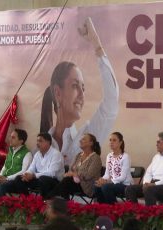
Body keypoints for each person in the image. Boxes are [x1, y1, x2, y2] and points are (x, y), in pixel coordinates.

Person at [40, 17, 119, 167]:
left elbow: (112, 100)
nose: (82, 96)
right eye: (76, 86)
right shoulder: (43, 143)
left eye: (83, 88)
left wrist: (97, 45)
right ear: (58, 92)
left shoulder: (88, 135)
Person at [125, 132, 163, 206]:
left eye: (159, 142)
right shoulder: (156, 157)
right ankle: (134, 213)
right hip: (153, 184)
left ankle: (150, 216)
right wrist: (145, 183)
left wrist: (154, 184)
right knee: (130, 189)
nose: (156, 144)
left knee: (149, 190)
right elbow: (149, 173)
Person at [3, 132, 64, 198]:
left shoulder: (56, 154)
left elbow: (51, 173)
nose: (37, 143)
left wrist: (34, 175)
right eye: (37, 141)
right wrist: (26, 175)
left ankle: (44, 202)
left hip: (54, 182)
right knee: (19, 178)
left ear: (48, 142)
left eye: (40, 141)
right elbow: (31, 168)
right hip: (39, 179)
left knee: (43, 179)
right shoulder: (37, 154)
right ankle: (27, 200)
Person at [48, 133, 102, 200]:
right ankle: (63, 204)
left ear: (91, 143)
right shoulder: (78, 155)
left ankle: (50, 198)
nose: (80, 141)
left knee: (66, 182)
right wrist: (70, 174)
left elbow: (88, 175)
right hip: (74, 182)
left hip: (87, 186)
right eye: (81, 139)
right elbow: (71, 169)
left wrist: (74, 174)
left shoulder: (96, 158)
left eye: (83, 139)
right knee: (64, 182)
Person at [0, 129, 32, 197]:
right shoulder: (10, 150)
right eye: (10, 136)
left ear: (21, 141)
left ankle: (2, 206)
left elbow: (24, 172)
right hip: (3, 179)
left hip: (15, 182)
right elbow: (5, 166)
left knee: (1, 187)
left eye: (13, 137)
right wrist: (0, 176)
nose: (10, 139)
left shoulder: (27, 153)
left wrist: (6, 178)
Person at [93, 132, 133, 204]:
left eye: (114, 140)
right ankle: (103, 208)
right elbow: (107, 174)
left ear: (120, 143)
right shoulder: (109, 156)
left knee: (106, 187)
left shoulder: (125, 157)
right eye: (110, 140)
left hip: (125, 185)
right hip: (112, 183)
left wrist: (108, 181)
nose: (111, 142)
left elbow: (122, 177)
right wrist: (102, 179)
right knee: (97, 185)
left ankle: (113, 209)